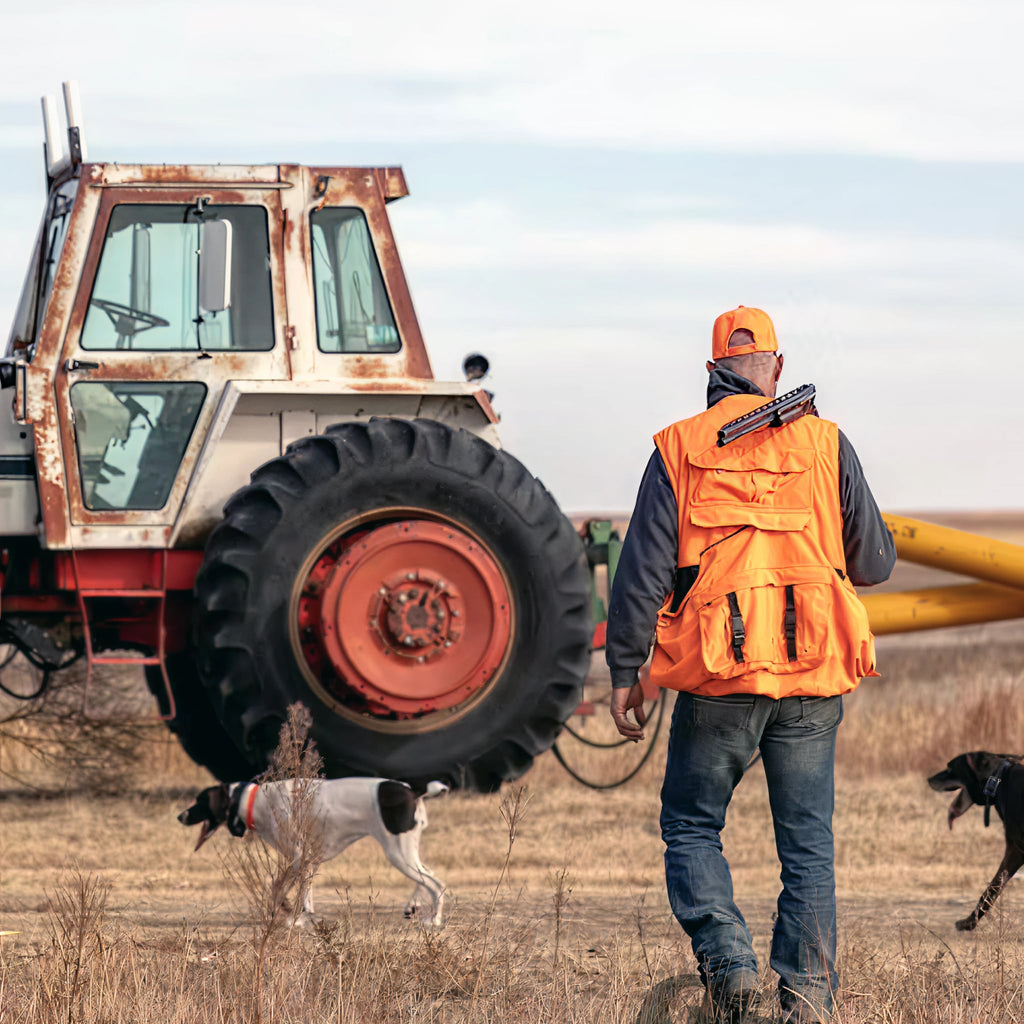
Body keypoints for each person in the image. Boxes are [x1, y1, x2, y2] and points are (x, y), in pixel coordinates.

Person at [607, 306, 895, 1024]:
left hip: (718, 679)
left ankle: (731, 967)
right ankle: (806, 1001)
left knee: (692, 826)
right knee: (807, 848)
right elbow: (875, 561)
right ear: (778, 367)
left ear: (712, 371)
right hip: (809, 678)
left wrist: (623, 672)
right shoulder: (827, 443)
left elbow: (640, 572)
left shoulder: (679, 447)